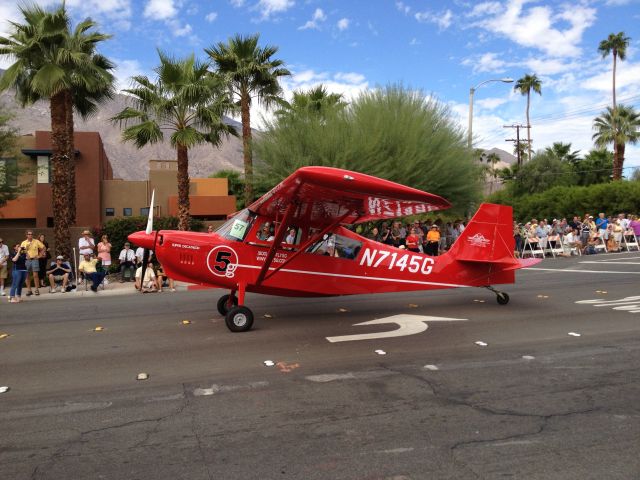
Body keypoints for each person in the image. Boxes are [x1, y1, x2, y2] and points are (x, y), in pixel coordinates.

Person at [20, 230, 45, 296]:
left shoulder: (36, 241)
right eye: (29, 234)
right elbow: (21, 252)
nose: (30, 235)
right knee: (27, 275)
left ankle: (36, 289)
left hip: (35, 260)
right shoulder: (23, 243)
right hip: (27, 260)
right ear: (26, 235)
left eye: (31, 234)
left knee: (35, 275)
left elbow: (43, 248)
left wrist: (39, 255)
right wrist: (26, 250)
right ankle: (29, 290)